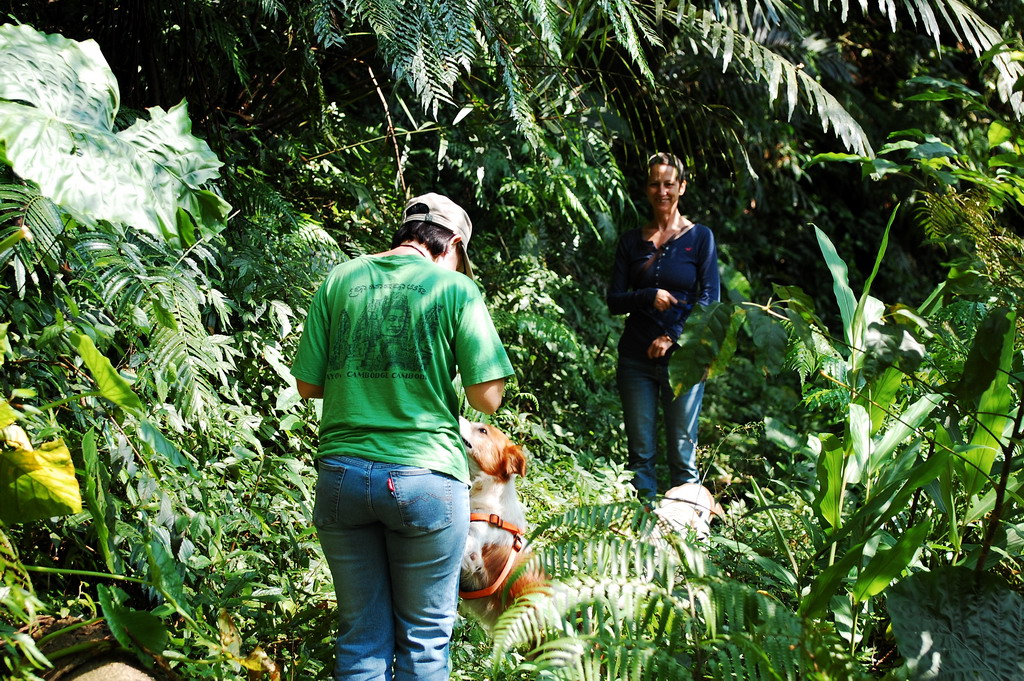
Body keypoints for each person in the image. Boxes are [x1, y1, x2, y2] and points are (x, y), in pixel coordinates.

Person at [290, 192, 514, 681]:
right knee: (425, 641)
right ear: (453, 243)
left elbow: (308, 385)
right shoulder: (456, 291)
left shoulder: (340, 279)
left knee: (361, 639)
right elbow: (488, 399)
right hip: (427, 482)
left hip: (342, 477)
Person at [606, 153, 721, 500]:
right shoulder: (631, 241)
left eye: (669, 183)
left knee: (683, 459)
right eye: (655, 183)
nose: (662, 190)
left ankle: (687, 538)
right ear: (647, 188)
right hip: (635, 360)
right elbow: (614, 300)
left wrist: (672, 336)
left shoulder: (700, 238)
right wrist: (647, 295)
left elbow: (710, 298)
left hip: (684, 361)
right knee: (640, 457)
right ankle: (645, 536)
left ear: (681, 187)